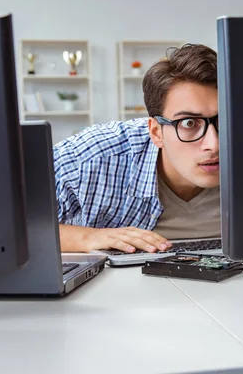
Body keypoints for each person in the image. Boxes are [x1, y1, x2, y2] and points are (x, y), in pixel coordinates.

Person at [54, 43, 220, 253]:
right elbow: (9, 226)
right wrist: (88, 237)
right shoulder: (93, 156)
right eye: (188, 123)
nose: (214, 145)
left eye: (224, 119)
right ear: (156, 132)